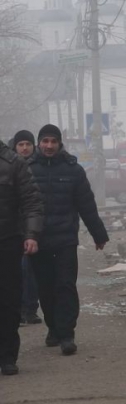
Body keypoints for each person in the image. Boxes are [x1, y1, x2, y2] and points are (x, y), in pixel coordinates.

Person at [28, 124, 109, 356]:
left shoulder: (73, 170)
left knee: (65, 285)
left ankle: (66, 334)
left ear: (60, 143)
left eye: (54, 141)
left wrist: (98, 234)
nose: (49, 146)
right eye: (45, 141)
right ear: (39, 143)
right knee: (45, 287)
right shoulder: (28, 169)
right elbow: (20, 206)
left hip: (65, 239)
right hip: (38, 240)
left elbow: (86, 204)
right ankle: (53, 327)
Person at [0, 139, 44, 376]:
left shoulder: (14, 163)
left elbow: (32, 201)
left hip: (7, 241)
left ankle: (7, 356)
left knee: (8, 300)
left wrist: (31, 234)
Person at [13, 130, 42, 325]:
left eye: (28, 144)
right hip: (16, 228)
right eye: (21, 144)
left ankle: (31, 308)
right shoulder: (10, 166)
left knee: (34, 271)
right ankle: (22, 308)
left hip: (36, 225)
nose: (25, 148)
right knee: (21, 269)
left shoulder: (40, 165)